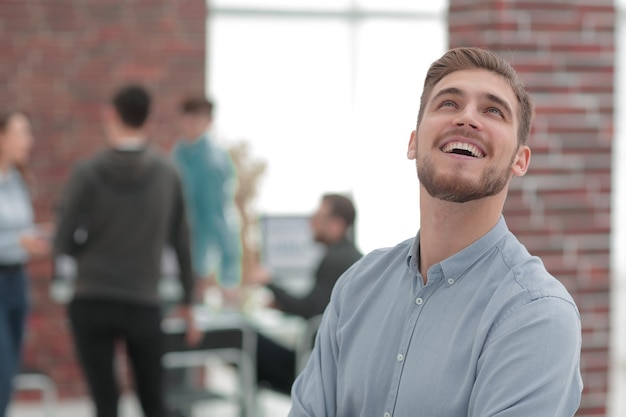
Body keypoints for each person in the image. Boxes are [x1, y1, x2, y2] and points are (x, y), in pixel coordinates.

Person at [289, 47, 583, 417]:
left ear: (519, 161)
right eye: (448, 103)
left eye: (493, 110)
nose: (467, 119)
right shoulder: (356, 287)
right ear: (413, 142)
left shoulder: (536, 315)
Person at [53, 85, 198, 417]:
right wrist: (189, 300)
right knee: (153, 401)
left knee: (105, 404)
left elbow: (61, 241)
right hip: (144, 300)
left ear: (112, 116)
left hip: (91, 297)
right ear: (148, 120)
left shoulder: (86, 173)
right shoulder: (167, 174)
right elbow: (182, 242)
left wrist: (83, 252)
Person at [249, 193, 362, 395]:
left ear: (336, 224)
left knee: (248, 340)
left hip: (317, 368)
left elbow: (310, 310)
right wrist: (281, 304)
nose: (312, 223)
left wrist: (270, 283)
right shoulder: (353, 258)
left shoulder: (335, 260)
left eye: (319, 217)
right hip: (336, 365)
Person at [0, 111, 50, 417]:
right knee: (1, 373)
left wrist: (38, 237)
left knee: (11, 369)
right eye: (21, 133)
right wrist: (18, 242)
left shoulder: (17, 180)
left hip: (17, 280)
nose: (28, 141)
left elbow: (22, 228)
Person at [171, 96, 242, 301]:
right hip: (177, 256)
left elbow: (217, 218)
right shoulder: (177, 154)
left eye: (197, 119)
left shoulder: (213, 162)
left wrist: (225, 275)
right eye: (188, 118)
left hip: (200, 265)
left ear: (208, 122)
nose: (191, 124)